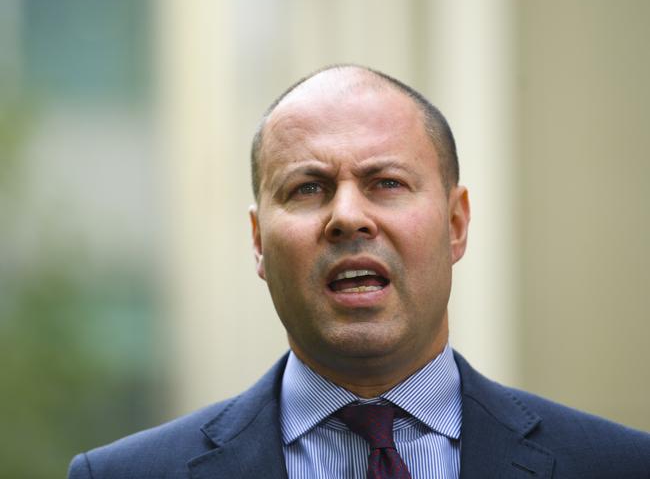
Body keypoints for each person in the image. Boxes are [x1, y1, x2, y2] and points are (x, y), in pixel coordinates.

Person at [68, 65, 650, 479]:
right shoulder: (121, 475)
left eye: (386, 183)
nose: (348, 217)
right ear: (258, 243)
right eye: (308, 188)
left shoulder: (619, 467)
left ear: (455, 224)